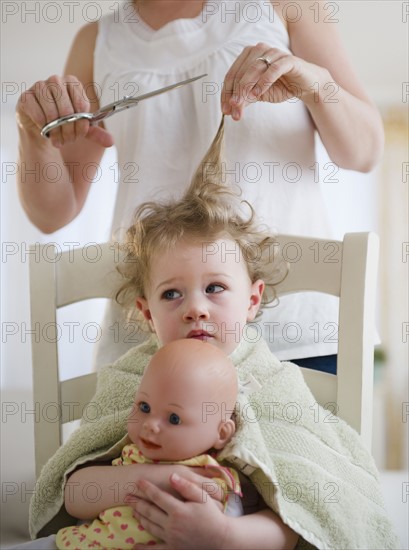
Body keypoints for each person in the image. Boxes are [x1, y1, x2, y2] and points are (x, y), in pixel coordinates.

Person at [25, 118, 398, 550]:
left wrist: (223, 534)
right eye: (171, 294)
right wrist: (165, 478)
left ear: (252, 300)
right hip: (127, 536)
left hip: (237, 536)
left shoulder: (273, 383)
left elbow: (315, 505)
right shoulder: (131, 378)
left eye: (216, 288)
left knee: (286, 521)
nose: (196, 308)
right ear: (146, 312)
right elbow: (73, 493)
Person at [15, 0, 385, 373]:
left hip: (295, 335)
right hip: (155, 342)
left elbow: (364, 153)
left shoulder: (287, 6)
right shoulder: (96, 41)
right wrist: (33, 136)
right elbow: (51, 215)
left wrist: (316, 85)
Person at [56, 339, 243, 549]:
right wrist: (154, 479)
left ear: (221, 433)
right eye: (144, 407)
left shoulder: (212, 479)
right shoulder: (132, 454)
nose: (150, 425)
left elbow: (224, 533)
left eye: (174, 418)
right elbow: (74, 503)